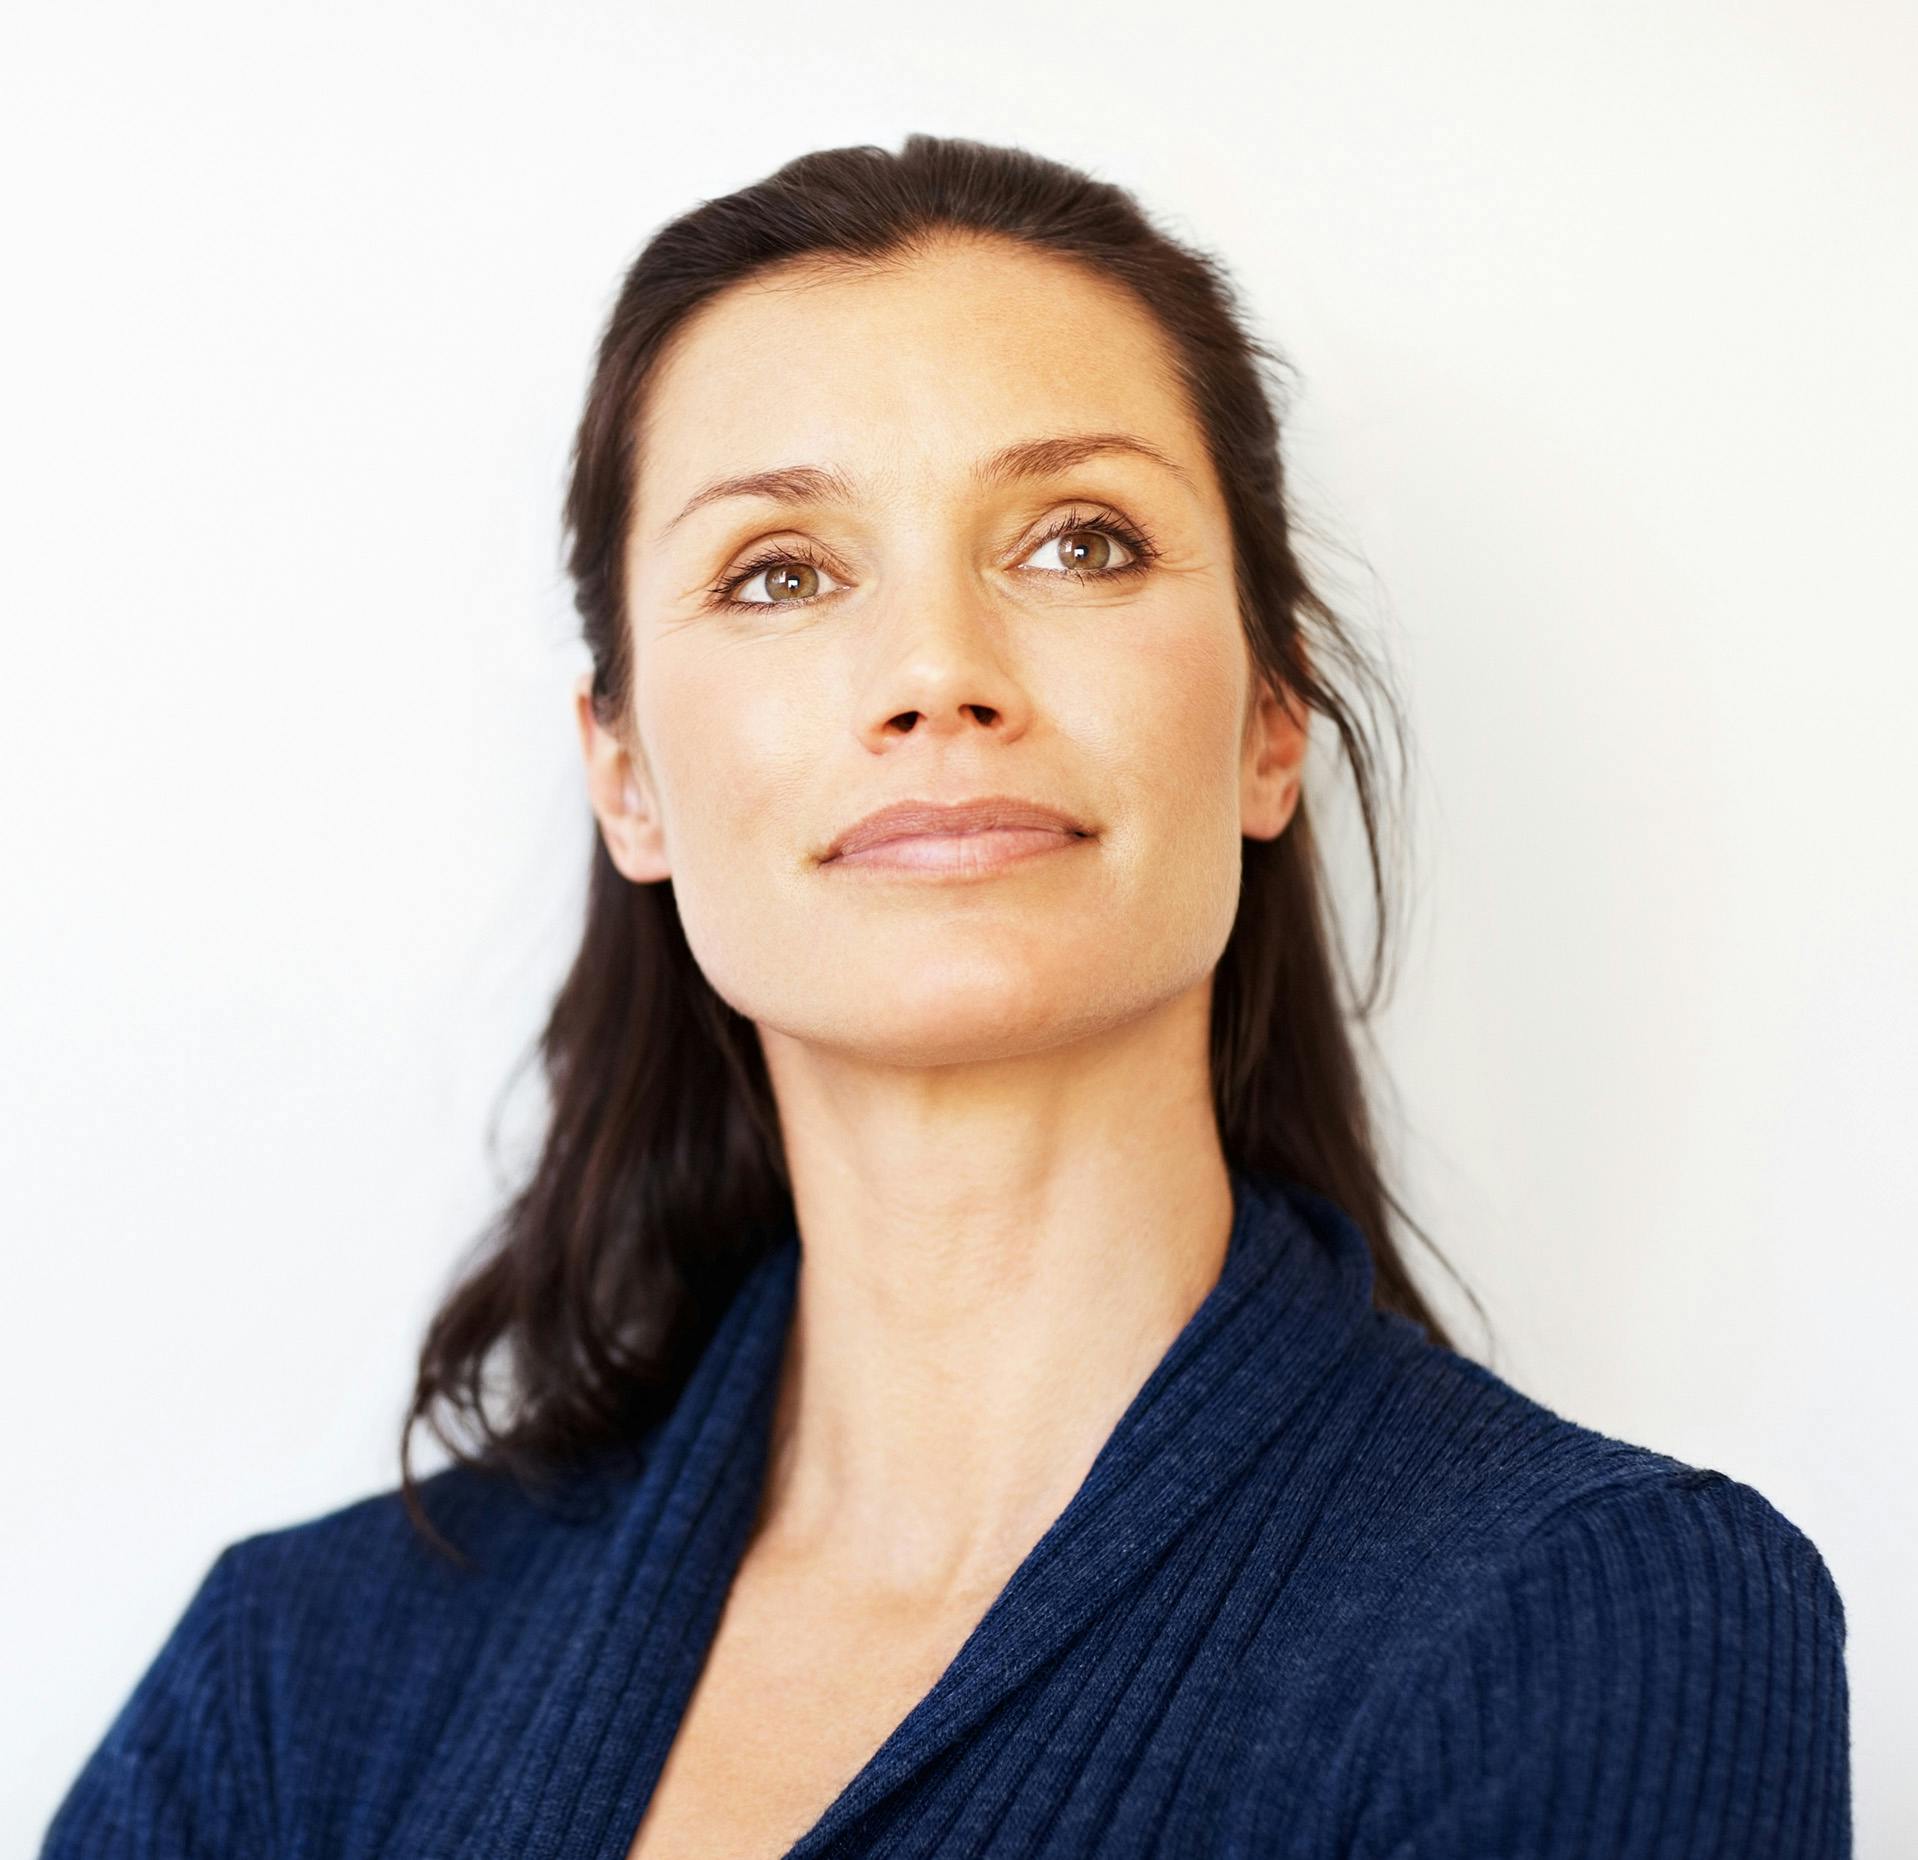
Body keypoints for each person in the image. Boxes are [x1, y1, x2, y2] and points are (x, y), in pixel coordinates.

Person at [42, 133, 1851, 1859]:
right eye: (781, 573)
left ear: (1267, 724)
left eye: (1079, 542)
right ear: (628, 781)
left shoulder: (1597, 1622)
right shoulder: (294, 1684)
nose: (933, 671)